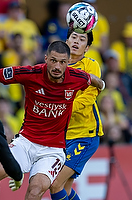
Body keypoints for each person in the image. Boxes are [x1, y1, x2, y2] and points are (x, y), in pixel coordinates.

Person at [0, 40, 105, 200]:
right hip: (26, 142)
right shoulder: (30, 73)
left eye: (62, 62)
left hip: (53, 150)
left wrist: (102, 85)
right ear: (46, 59)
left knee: (36, 189)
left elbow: (94, 80)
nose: (57, 67)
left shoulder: (78, 77)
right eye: (53, 61)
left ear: (68, 62)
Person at [49, 29, 104, 200]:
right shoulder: (57, 66)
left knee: (55, 184)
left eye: (81, 39)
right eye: (73, 37)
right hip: (64, 135)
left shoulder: (91, 65)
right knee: (64, 189)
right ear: (66, 41)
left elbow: (89, 97)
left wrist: (64, 107)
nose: (76, 41)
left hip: (85, 134)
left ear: (87, 48)